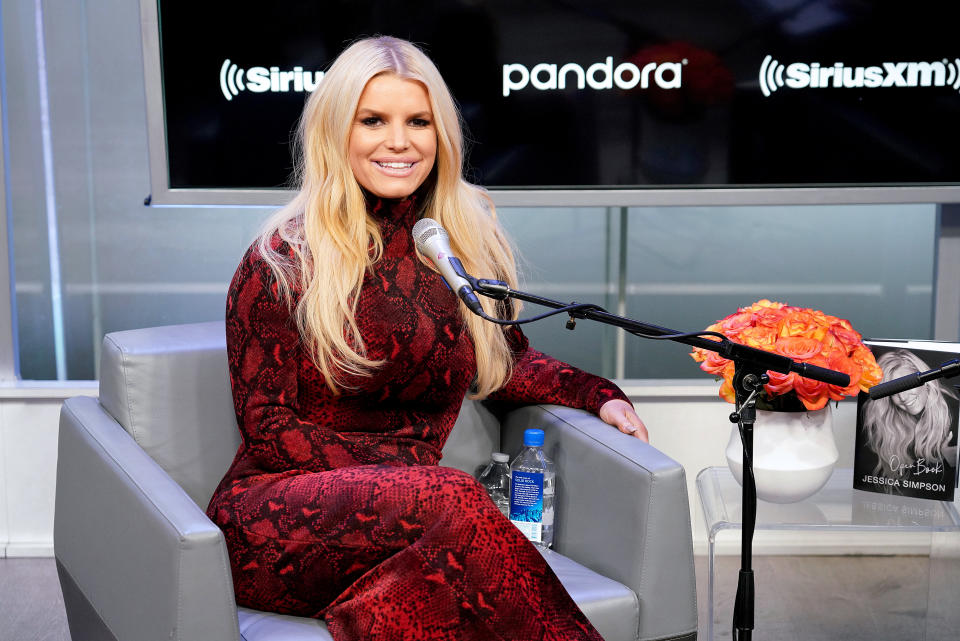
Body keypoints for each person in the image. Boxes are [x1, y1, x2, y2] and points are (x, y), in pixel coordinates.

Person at [206, 35, 647, 641]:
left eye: (419, 121)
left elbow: (502, 363)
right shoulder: (282, 259)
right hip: (275, 519)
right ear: (337, 132)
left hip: (414, 515)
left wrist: (600, 394)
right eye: (373, 120)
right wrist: (408, 484)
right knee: (455, 501)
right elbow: (269, 428)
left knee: (427, 582)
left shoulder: (454, 245)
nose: (399, 141)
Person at [860, 349, 957, 484]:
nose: (903, 398)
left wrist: (951, 462)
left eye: (907, 386)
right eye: (894, 392)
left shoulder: (954, 413)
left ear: (926, 381)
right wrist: (942, 459)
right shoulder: (884, 424)